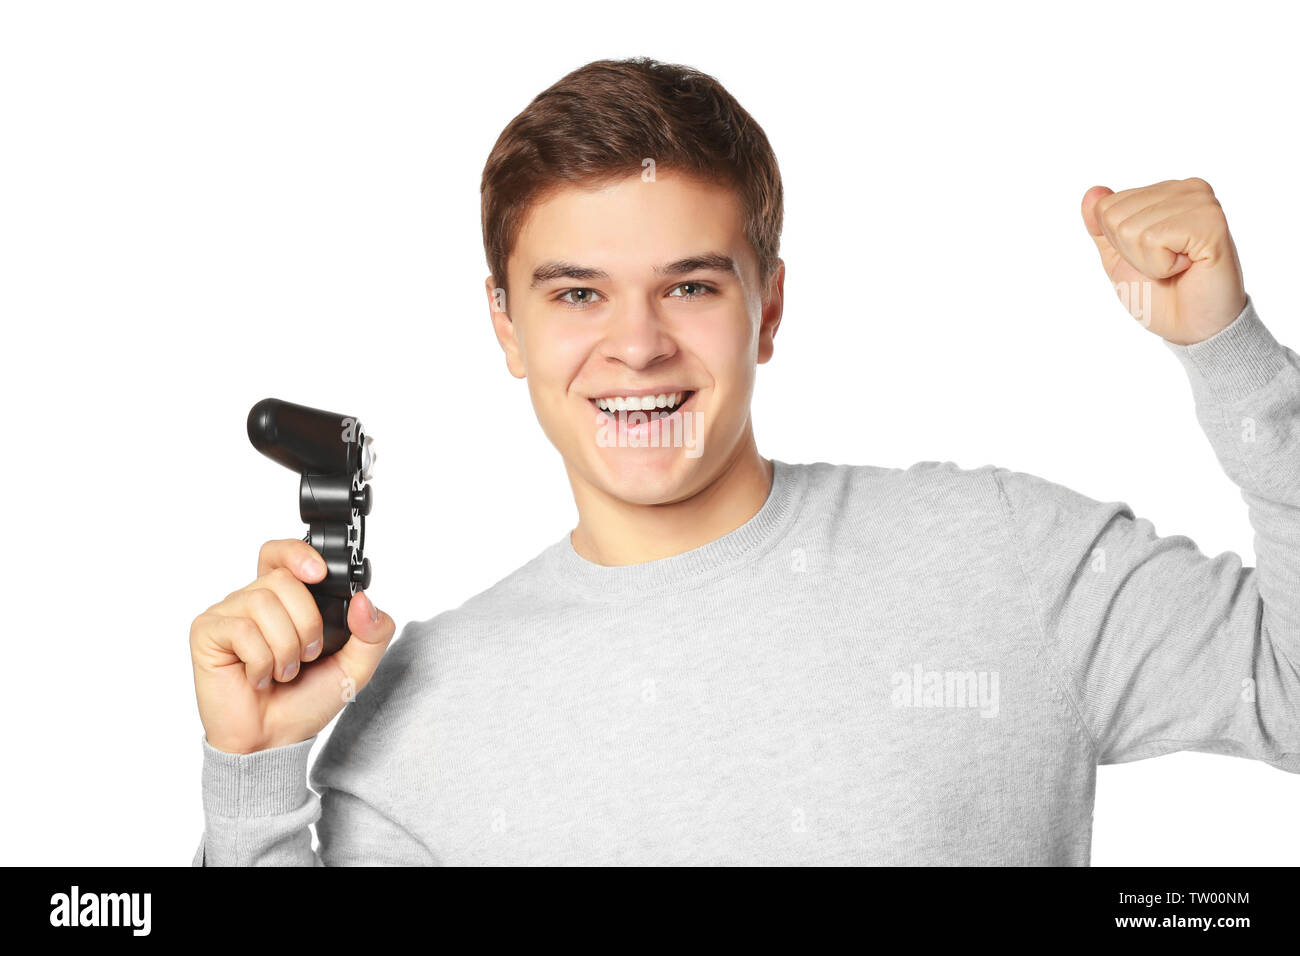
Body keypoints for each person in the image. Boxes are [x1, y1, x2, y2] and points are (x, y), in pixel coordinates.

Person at [189, 56, 1299, 866]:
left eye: (690, 284)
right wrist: (252, 783)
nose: (636, 343)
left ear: (768, 306)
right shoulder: (417, 711)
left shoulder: (1001, 555)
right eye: (577, 292)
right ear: (506, 326)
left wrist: (1229, 350)